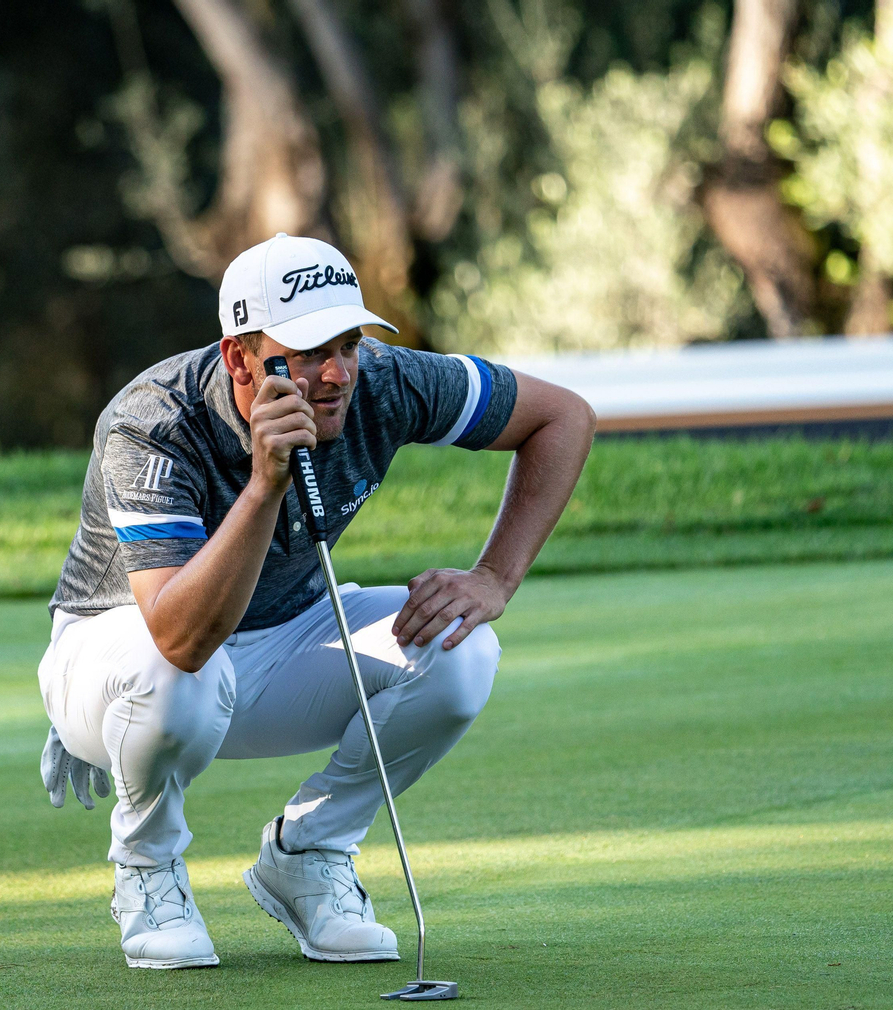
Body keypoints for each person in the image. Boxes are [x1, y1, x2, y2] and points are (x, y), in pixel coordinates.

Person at [37, 233, 595, 969]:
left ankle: (309, 851)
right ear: (241, 356)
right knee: (172, 671)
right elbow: (177, 635)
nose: (337, 373)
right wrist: (265, 482)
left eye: (349, 343)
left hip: (279, 637)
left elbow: (565, 417)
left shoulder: (383, 382)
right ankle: (148, 868)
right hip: (119, 655)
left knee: (462, 647)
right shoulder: (153, 423)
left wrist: (494, 578)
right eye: (306, 353)